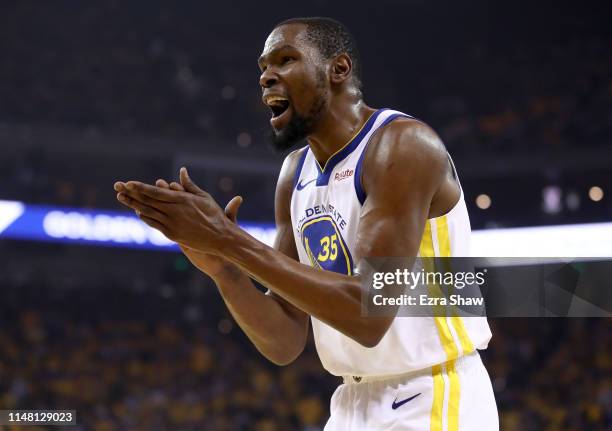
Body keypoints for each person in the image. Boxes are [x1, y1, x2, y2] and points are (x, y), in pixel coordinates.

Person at [114, 17, 498, 430]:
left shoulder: (401, 145)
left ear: (339, 69)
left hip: (434, 396)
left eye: (285, 60)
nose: (266, 77)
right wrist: (225, 272)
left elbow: (368, 313)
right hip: (350, 401)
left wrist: (228, 240)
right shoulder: (293, 174)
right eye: (262, 68)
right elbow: (284, 339)